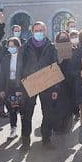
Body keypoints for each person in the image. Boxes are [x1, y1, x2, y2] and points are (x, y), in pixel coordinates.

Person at [17, 21, 60, 150]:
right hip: (29, 84)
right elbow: (19, 67)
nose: (39, 33)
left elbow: (55, 66)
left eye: (41, 30)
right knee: (26, 114)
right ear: (32, 31)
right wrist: (19, 87)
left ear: (45, 31)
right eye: (36, 30)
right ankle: (25, 142)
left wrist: (55, 88)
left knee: (48, 113)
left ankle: (46, 140)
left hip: (47, 84)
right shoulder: (24, 47)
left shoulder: (51, 47)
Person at [0, 37, 23, 141]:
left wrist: (20, 89)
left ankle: (25, 130)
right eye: (9, 46)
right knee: (12, 109)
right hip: (10, 86)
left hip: (21, 86)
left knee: (22, 109)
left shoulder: (23, 58)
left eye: (13, 46)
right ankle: (13, 129)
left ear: (18, 46)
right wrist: (1, 89)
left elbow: (26, 73)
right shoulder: (6, 58)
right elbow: (2, 74)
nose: (11, 48)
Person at [53, 30, 76, 132]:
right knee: (58, 104)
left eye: (65, 38)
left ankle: (67, 126)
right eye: (61, 39)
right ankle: (58, 126)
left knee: (69, 104)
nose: (63, 40)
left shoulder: (73, 50)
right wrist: (58, 61)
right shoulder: (53, 51)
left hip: (70, 81)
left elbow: (76, 64)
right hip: (57, 81)